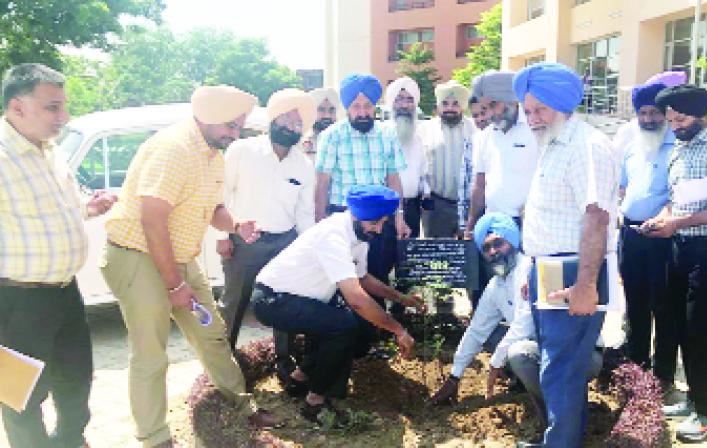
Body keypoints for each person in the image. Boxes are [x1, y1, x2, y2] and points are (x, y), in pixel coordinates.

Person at [101, 85, 279, 447]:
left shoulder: (213, 153)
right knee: (151, 354)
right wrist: (174, 285)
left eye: (239, 126)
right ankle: (155, 438)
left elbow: (213, 209)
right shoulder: (174, 149)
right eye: (230, 125)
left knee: (212, 333)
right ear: (207, 116)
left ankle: (243, 407)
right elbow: (152, 221)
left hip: (179, 258)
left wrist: (236, 225)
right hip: (137, 256)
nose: (234, 133)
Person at [0, 63, 116, 448]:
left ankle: (69, 441)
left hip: (65, 293)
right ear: (17, 107)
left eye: (63, 106)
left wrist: (87, 207)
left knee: (75, 381)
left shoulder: (49, 150)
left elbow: (51, 207)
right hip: (15, 300)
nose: (63, 117)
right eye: (52, 107)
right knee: (19, 396)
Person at [251, 185, 422, 426]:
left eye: (383, 222)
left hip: (300, 298)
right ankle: (315, 404)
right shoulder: (333, 235)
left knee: (341, 321)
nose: (379, 229)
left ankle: (299, 381)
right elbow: (356, 298)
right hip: (273, 300)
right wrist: (398, 329)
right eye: (375, 223)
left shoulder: (360, 236)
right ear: (355, 216)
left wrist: (401, 299)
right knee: (343, 325)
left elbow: (363, 278)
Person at [514, 62, 619, 448]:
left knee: (562, 368)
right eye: (527, 111)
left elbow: (596, 219)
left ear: (563, 104)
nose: (533, 118)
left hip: (574, 270)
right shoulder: (553, 142)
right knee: (555, 364)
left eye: (540, 109)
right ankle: (558, 439)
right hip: (549, 267)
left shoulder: (586, 146)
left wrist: (586, 284)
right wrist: (533, 268)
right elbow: (551, 217)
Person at [642, 84, 707, 442]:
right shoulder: (679, 151)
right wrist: (660, 219)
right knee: (678, 327)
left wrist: (676, 223)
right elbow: (675, 200)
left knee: (701, 333)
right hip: (678, 249)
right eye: (670, 121)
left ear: (702, 114)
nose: (674, 126)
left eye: (680, 119)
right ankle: (696, 397)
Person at [216, 88, 316, 348]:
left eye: (297, 123)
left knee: (282, 306)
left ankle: (283, 362)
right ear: (273, 119)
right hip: (243, 242)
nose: (291, 127)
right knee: (233, 305)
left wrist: (308, 250)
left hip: (285, 245)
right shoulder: (241, 150)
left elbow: (304, 214)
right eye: (286, 119)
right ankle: (224, 368)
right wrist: (222, 236)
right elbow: (220, 195)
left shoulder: (304, 166)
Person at [428, 213, 540, 407]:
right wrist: (454, 376)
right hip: (534, 345)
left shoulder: (529, 269)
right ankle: (523, 381)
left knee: (516, 352)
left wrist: (496, 360)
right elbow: (476, 330)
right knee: (490, 336)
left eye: (498, 243)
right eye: (487, 248)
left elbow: (526, 323)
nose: (493, 251)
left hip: (562, 350)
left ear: (512, 241)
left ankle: (546, 407)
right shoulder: (496, 285)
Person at [314, 74, 410, 292]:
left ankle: (375, 326)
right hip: (343, 220)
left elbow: (393, 179)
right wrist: (320, 220)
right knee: (343, 284)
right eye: (356, 106)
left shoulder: (388, 134)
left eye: (367, 105)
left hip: (380, 221)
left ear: (374, 106)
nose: (362, 112)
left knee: (377, 277)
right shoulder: (332, 136)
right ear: (347, 108)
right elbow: (321, 183)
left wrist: (399, 217)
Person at [616, 81, 678, 392]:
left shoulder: (679, 146)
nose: (649, 119)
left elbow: (679, 195)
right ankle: (635, 368)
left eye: (655, 113)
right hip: (630, 235)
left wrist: (661, 218)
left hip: (663, 237)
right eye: (644, 113)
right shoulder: (631, 147)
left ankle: (663, 374)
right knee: (634, 303)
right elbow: (623, 188)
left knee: (663, 306)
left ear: (666, 114)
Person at [465, 70, 538, 238]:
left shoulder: (535, 129)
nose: (489, 114)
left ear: (512, 100)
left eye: (493, 105)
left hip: (529, 224)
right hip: (494, 225)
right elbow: (480, 184)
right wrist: (471, 224)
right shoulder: (484, 136)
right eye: (484, 108)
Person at [420, 79, 477, 238]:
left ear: (463, 107)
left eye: (455, 104)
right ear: (438, 106)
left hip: (469, 204)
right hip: (437, 205)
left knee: (466, 254)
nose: (449, 108)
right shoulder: (425, 129)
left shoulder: (475, 129)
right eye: (445, 104)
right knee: (437, 256)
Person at [385, 77, 428, 238]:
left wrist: (426, 193)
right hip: (387, 208)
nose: (404, 105)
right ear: (391, 103)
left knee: (409, 258)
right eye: (399, 99)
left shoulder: (418, 138)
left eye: (410, 100)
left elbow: (423, 173)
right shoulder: (382, 135)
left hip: (413, 207)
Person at [303, 87, 340, 160]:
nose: (327, 115)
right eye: (321, 110)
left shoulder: (345, 141)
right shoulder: (299, 142)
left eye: (331, 110)